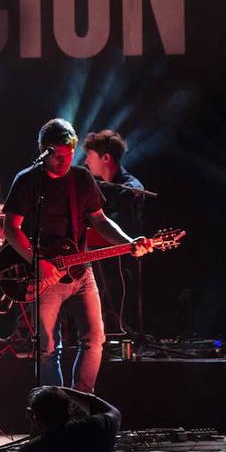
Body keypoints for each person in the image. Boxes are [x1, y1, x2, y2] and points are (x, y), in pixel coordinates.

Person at [2, 118, 150, 392]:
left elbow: (101, 220)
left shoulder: (81, 178)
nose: (65, 162)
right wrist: (37, 261)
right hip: (44, 274)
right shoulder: (27, 180)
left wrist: (130, 242)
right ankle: (53, 410)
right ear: (44, 152)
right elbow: (10, 228)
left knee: (95, 339)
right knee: (47, 348)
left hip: (82, 271)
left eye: (69, 156)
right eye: (58, 157)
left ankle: (80, 403)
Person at [83, 129, 146, 334]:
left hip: (120, 267)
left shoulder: (132, 188)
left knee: (119, 316)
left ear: (106, 157)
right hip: (94, 261)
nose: (85, 162)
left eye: (90, 156)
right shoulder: (94, 188)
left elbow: (114, 223)